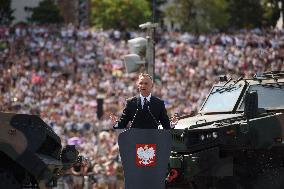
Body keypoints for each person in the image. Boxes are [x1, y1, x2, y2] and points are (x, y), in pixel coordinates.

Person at [110, 73, 178, 129]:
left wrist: (172, 124)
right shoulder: (131, 103)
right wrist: (116, 123)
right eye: (141, 83)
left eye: (146, 83)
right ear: (138, 86)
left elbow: (166, 125)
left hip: (153, 141)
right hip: (135, 141)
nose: (143, 85)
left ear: (151, 85)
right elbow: (123, 123)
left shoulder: (159, 103)